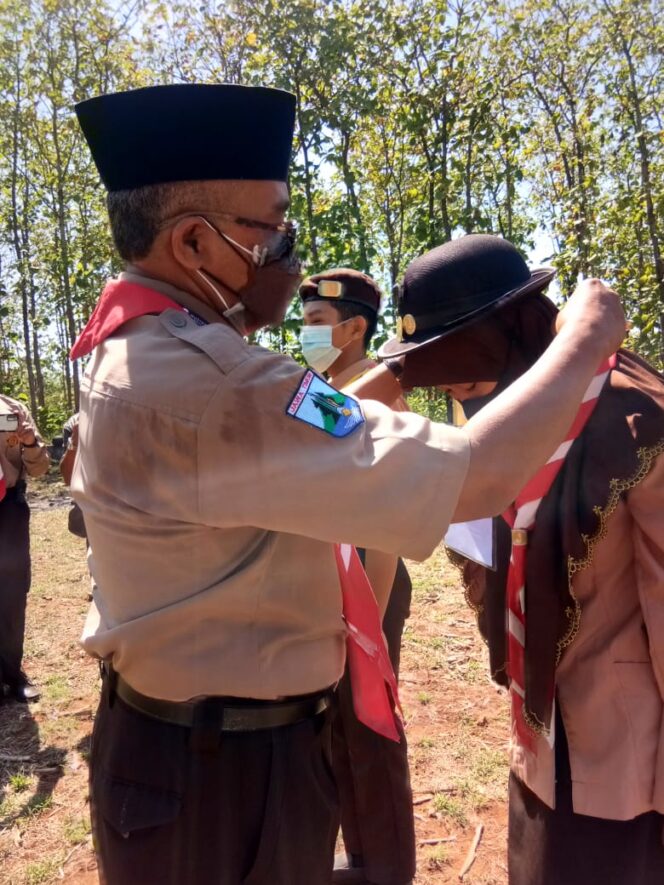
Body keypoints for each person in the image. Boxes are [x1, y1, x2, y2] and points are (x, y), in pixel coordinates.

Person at [69, 82, 624, 885]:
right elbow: (476, 476)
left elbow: (302, 428)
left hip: (191, 747)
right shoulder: (209, 381)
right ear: (193, 243)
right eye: (271, 226)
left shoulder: (153, 346)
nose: (289, 251)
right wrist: (588, 331)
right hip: (223, 773)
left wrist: (401, 367)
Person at [377, 233, 664, 885]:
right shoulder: (510, 408)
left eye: (473, 380)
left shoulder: (628, 415)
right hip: (539, 728)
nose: (472, 403)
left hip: (627, 756)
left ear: (518, 330)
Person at [300, 269, 415, 885]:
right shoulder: (325, 385)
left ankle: (387, 865)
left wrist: (367, 610)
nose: (306, 334)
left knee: (368, 724)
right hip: (327, 581)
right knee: (335, 727)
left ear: (354, 328)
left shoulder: (372, 393)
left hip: (369, 581)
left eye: (316, 324)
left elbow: (390, 517)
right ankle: (362, 853)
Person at [0, 393, 50, 702]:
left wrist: (30, 441)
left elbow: (40, 467)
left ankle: (13, 674)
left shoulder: (12, 409)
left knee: (12, 593)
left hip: (8, 509)